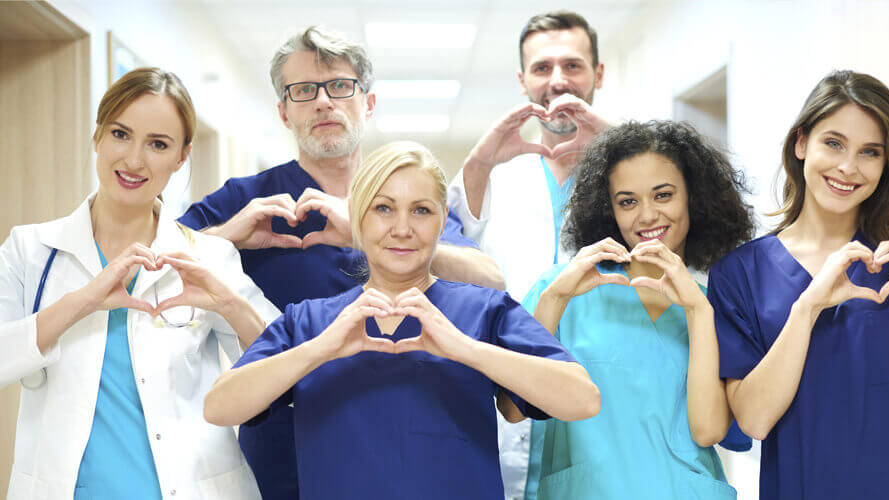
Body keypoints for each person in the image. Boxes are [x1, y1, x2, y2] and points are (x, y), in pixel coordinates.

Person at [178, 26, 504, 498]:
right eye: (304, 91)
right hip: (285, 450)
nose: (324, 102)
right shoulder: (247, 200)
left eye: (340, 87)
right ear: (283, 111)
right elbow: (160, 265)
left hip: (408, 438)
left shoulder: (406, 198)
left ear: (367, 102)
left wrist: (362, 229)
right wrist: (228, 236)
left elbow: (491, 280)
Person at [202, 141, 600, 499]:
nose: (403, 229)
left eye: (421, 211)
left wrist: (465, 348)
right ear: (357, 217)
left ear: (443, 220)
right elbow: (220, 407)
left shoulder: (486, 311)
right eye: (383, 208)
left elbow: (582, 398)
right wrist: (322, 349)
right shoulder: (310, 322)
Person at [708, 70, 889, 500]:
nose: (848, 167)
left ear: (886, 165)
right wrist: (807, 308)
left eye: (870, 152)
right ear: (801, 142)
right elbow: (754, 420)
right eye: (834, 143)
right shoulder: (739, 272)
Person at [0, 67, 279, 499]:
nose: (133, 160)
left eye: (158, 144)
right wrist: (84, 301)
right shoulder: (31, 248)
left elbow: (284, 367)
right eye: (120, 134)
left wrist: (227, 302)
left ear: (181, 157)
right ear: (97, 136)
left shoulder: (208, 257)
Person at [521, 121, 754, 499]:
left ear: (693, 198)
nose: (647, 216)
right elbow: (514, 407)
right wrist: (555, 297)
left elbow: (708, 431)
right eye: (627, 201)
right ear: (608, 209)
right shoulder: (563, 289)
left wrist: (697, 312)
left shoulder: (713, 304)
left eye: (663, 195)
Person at [446, 11, 614, 497]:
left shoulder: (633, 176)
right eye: (542, 68)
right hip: (508, 413)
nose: (557, 81)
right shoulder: (496, 177)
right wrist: (478, 163)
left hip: (605, 409)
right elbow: (444, 245)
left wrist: (624, 148)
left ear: (598, 74)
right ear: (523, 81)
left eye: (572, 65)